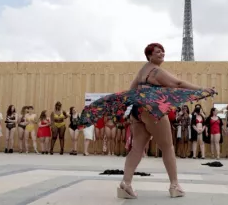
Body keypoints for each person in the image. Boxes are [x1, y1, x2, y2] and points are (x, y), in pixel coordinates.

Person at [79, 43, 216, 199]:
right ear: (149, 55)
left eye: (163, 51)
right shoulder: (156, 71)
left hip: (137, 112)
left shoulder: (142, 71)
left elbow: (131, 92)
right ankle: (174, 185)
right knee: (167, 147)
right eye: (158, 52)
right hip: (152, 110)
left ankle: (126, 183)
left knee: (137, 148)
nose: (162, 53)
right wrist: (201, 89)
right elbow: (177, 84)